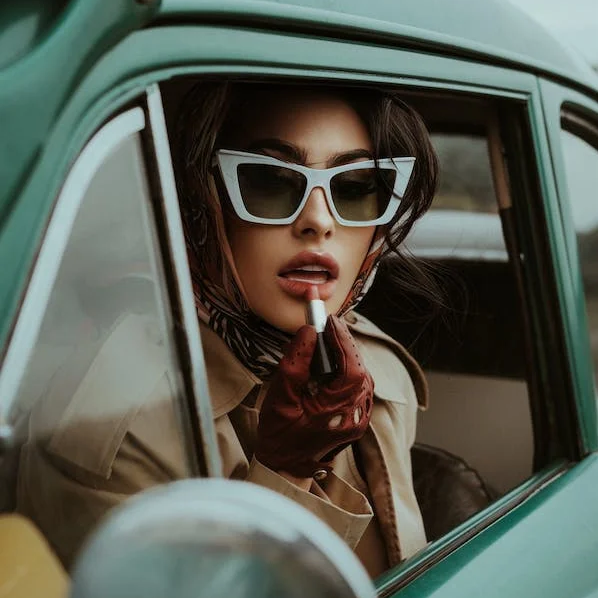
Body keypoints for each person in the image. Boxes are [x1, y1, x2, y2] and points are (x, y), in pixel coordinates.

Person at [16, 79, 439, 578]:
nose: (319, 221)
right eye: (269, 180)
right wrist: (286, 471)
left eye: (356, 186)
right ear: (202, 201)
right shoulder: (112, 420)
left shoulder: (378, 370)